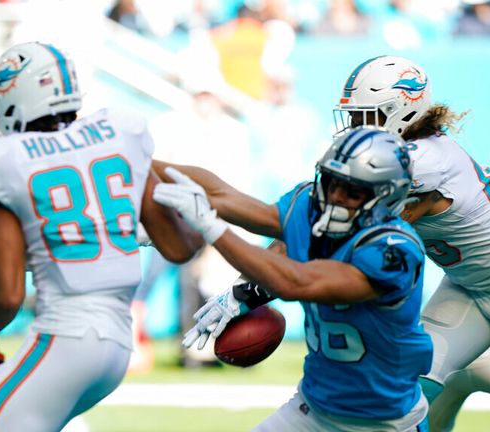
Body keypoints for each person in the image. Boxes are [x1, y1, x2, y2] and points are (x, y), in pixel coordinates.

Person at [0, 42, 202, 431]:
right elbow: (178, 247)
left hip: (65, 335)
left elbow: (8, 294)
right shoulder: (120, 134)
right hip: (118, 347)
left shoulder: (0, 161)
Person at [155, 126, 433, 431]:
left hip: (385, 422)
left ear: (387, 198)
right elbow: (222, 195)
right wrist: (139, 165)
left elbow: (300, 282)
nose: (335, 198)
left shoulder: (394, 250)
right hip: (312, 409)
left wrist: (212, 227)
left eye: (352, 191)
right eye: (331, 182)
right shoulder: (308, 206)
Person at [333, 55, 490, 431]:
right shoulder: (417, 154)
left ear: (399, 112)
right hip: (471, 286)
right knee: (403, 393)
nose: (354, 127)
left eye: (364, 116)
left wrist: (257, 287)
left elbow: (342, 230)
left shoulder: (424, 163)